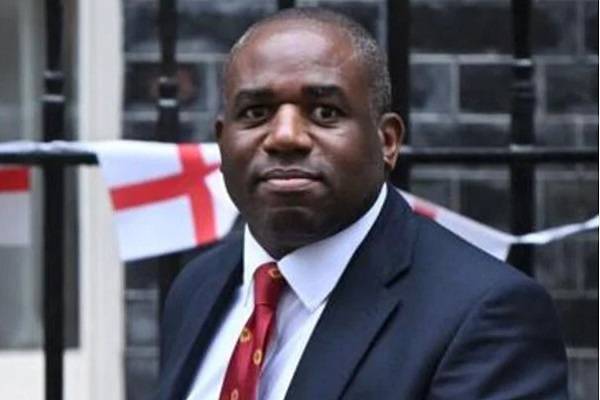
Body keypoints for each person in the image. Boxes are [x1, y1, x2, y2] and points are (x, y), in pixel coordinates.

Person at [157, 8, 567, 400]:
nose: (285, 136)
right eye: (256, 112)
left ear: (387, 142)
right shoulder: (198, 287)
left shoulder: (485, 314)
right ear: (222, 140)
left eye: (324, 112)